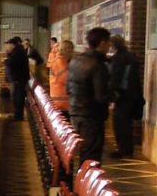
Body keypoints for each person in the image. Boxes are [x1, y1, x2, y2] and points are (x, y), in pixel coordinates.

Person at [68, 26, 112, 164]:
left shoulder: (75, 61)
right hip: (92, 117)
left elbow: (68, 89)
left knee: (82, 153)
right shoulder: (98, 66)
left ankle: (81, 183)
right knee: (91, 157)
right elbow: (101, 96)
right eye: (108, 42)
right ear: (102, 42)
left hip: (75, 113)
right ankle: (84, 184)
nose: (110, 45)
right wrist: (116, 94)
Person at [107, 35, 144, 159]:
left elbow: (116, 78)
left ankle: (124, 150)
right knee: (127, 124)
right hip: (132, 95)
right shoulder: (131, 56)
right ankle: (127, 149)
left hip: (123, 96)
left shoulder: (118, 59)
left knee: (120, 124)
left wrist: (112, 94)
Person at [3, 36, 30, 120]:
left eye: (9, 44)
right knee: (15, 97)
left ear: (13, 44)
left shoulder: (18, 52)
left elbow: (12, 63)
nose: (7, 46)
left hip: (18, 79)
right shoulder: (17, 51)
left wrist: (6, 60)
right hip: (17, 79)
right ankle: (17, 114)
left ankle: (18, 116)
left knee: (18, 98)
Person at [48, 40, 74, 116]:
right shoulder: (59, 63)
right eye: (68, 48)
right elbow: (68, 81)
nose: (71, 51)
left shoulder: (63, 61)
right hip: (62, 104)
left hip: (62, 102)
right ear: (62, 50)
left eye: (72, 48)